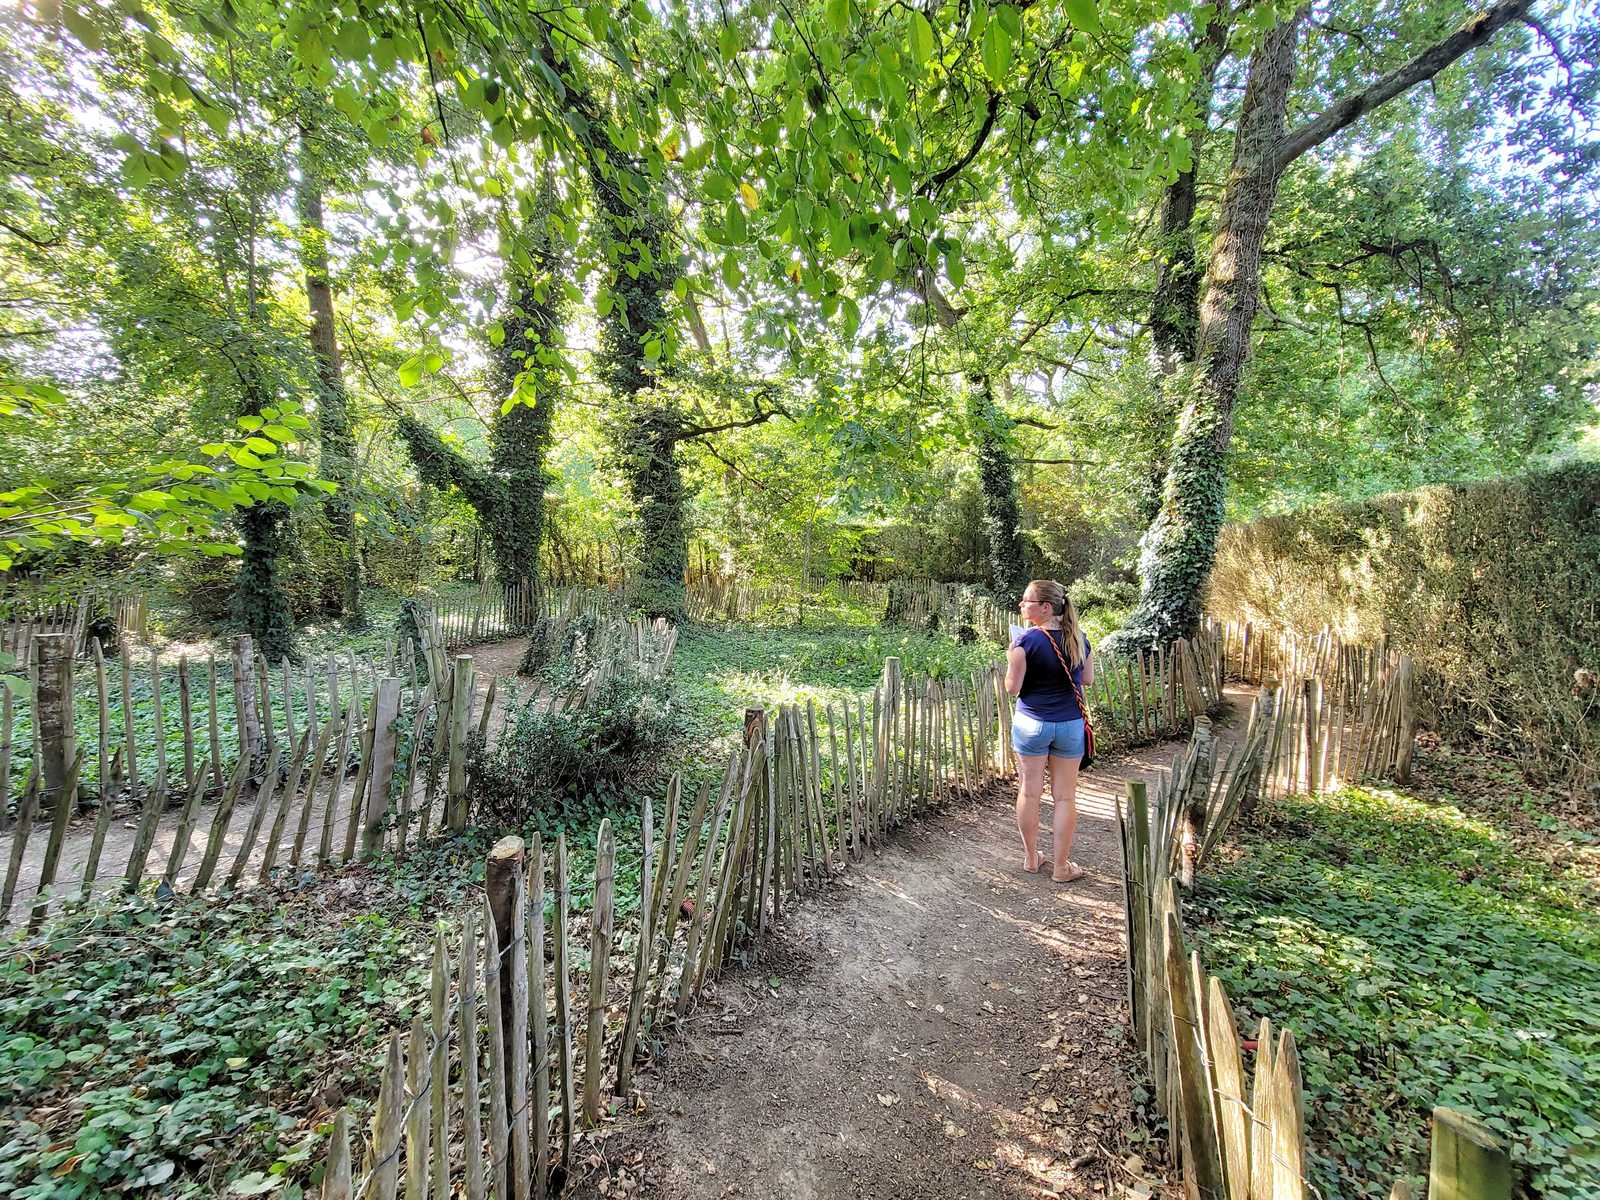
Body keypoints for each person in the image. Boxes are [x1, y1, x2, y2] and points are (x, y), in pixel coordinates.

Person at [1004, 579, 1093, 883]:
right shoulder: (1080, 639)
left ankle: (1031, 859)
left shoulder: (1025, 643)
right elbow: (1089, 679)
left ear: (1045, 607)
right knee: (1065, 798)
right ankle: (1061, 867)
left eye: (1026, 601)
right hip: (1069, 725)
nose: (1021, 605)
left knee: (1029, 792)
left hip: (1031, 723)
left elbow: (1012, 689)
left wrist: (1010, 658)